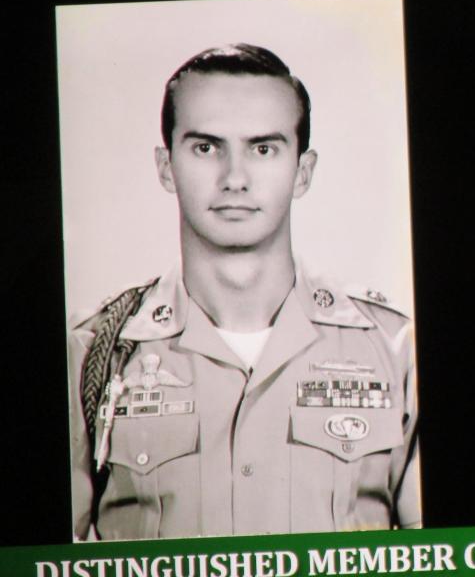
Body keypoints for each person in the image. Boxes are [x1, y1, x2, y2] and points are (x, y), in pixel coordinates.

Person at [67, 44, 420, 541]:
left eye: (263, 148)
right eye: (206, 147)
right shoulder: (92, 353)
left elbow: (437, 554)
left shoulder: (396, 351)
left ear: (303, 171)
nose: (234, 178)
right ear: (166, 166)